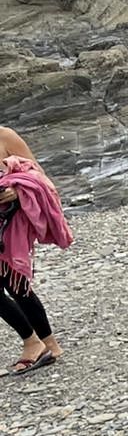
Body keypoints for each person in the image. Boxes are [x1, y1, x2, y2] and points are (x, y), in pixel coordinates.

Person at [0, 128, 69, 375]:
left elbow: (38, 175)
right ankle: (44, 343)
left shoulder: (5, 136)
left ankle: (38, 343)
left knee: (16, 285)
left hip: (9, 226)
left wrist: (17, 192)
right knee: (13, 286)